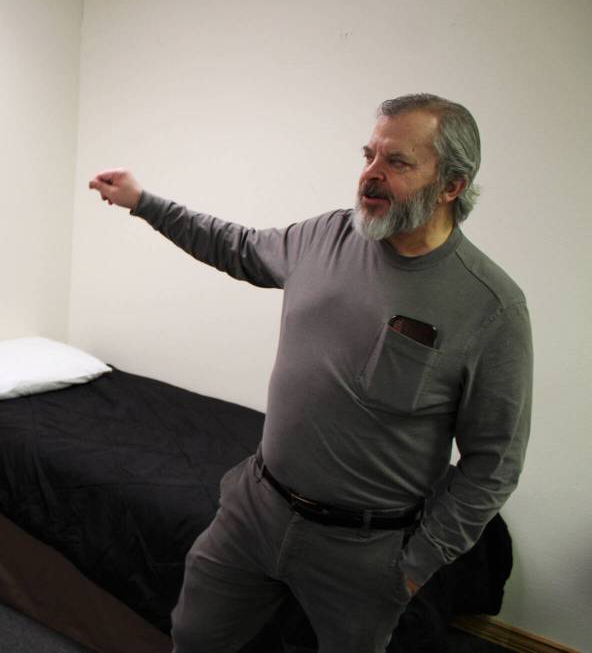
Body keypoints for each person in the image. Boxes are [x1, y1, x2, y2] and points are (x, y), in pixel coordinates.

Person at [88, 93, 532, 652]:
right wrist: (144, 202)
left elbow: (495, 463)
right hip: (256, 508)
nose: (370, 175)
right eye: (369, 155)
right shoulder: (327, 236)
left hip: (365, 548)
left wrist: (416, 562)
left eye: (397, 162)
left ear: (451, 186)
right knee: (194, 638)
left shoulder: (490, 306)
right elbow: (239, 247)